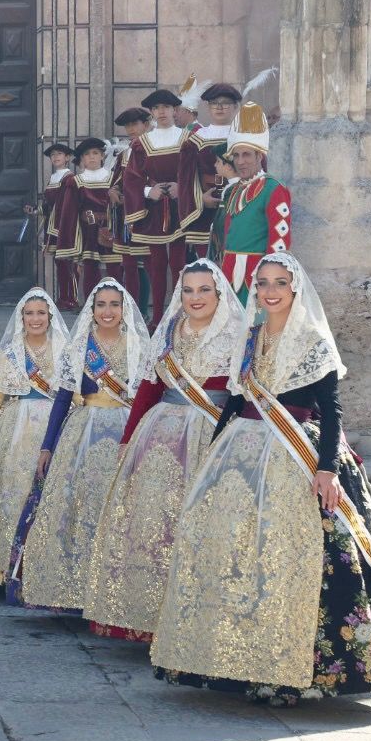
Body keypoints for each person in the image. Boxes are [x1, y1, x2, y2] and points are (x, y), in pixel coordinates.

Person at [151, 253, 371, 702]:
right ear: (255, 291)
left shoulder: (313, 340)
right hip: (243, 449)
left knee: (298, 553)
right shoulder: (251, 337)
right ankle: (231, 661)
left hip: (299, 453)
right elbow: (238, 402)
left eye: (280, 282)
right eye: (263, 283)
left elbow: (332, 409)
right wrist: (211, 455)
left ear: (295, 288)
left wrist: (327, 468)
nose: (271, 291)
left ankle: (301, 669)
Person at [83, 262, 236, 641]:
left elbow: (243, 395)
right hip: (159, 441)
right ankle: (150, 615)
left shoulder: (237, 334)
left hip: (209, 434)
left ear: (219, 294)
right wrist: (127, 440)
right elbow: (149, 390)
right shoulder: (167, 331)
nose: (196, 298)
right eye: (188, 290)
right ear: (178, 295)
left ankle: (196, 617)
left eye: (204, 290)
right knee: (154, 525)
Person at [9, 279, 147, 612]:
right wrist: (47, 446)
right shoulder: (79, 347)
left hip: (125, 434)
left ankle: (113, 593)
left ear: (124, 308)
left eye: (114, 305)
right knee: (76, 509)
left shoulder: (139, 346)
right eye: (101, 305)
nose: (108, 311)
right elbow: (62, 399)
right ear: (92, 309)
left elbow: (144, 397)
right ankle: (72, 591)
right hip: (83, 432)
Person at [0, 288, 69, 585]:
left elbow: (72, 394)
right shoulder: (10, 352)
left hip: (52, 427)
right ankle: (3, 566)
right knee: (10, 493)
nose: (35, 319)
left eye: (41, 313)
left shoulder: (65, 349)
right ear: (21, 317)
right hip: (13, 428)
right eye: (29, 313)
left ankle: (39, 565)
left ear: (50, 316)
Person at [219, 102, 292, 303]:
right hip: (228, 273)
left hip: (257, 276)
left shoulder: (274, 189)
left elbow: (279, 241)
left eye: (246, 155)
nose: (240, 161)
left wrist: (270, 280)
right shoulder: (233, 191)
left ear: (259, 156)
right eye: (236, 155)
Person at [126, 98, 188, 329]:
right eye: (156, 108)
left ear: (175, 111)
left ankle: (181, 313)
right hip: (153, 209)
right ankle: (159, 317)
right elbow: (131, 177)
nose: (161, 112)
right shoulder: (142, 143)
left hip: (180, 208)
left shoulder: (187, 139)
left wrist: (180, 187)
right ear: (152, 113)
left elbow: (193, 171)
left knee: (179, 263)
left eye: (165, 107)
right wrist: (147, 191)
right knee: (157, 264)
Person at [52, 138, 122, 303]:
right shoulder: (75, 181)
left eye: (95, 153)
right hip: (87, 231)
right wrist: (68, 240)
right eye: (87, 154)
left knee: (115, 269)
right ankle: (90, 306)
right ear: (82, 159)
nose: (91, 157)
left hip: (111, 228)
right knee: (90, 269)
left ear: (103, 156)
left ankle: (117, 303)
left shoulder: (114, 179)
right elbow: (69, 212)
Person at [176, 82, 239, 261]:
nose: (219, 107)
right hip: (204, 213)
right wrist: (200, 200)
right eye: (214, 102)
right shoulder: (194, 140)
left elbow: (258, 174)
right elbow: (186, 179)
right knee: (207, 268)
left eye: (225, 102)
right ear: (208, 106)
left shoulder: (244, 138)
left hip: (238, 207)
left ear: (235, 106)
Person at [111, 109, 150, 311]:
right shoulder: (125, 153)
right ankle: (133, 312)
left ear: (146, 124)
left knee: (149, 266)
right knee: (129, 265)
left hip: (147, 214)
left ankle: (143, 311)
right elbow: (116, 180)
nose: (131, 130)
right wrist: (113, 190)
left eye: (135, 124)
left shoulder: (153, 147)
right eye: (127, 126)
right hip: (125, 216)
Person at [36, 143, 78, 310]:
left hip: (65, 225)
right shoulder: (53, 178)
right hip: (52, 225)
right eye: (53, 155)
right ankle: (63, 298)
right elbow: (49, 205)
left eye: (59, 154)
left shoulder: (69, 178)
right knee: (59, 262)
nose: (55, 157)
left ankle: (72, 299)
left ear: (67, 157)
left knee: (70, 262)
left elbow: (68, 205)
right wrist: (36, 211)